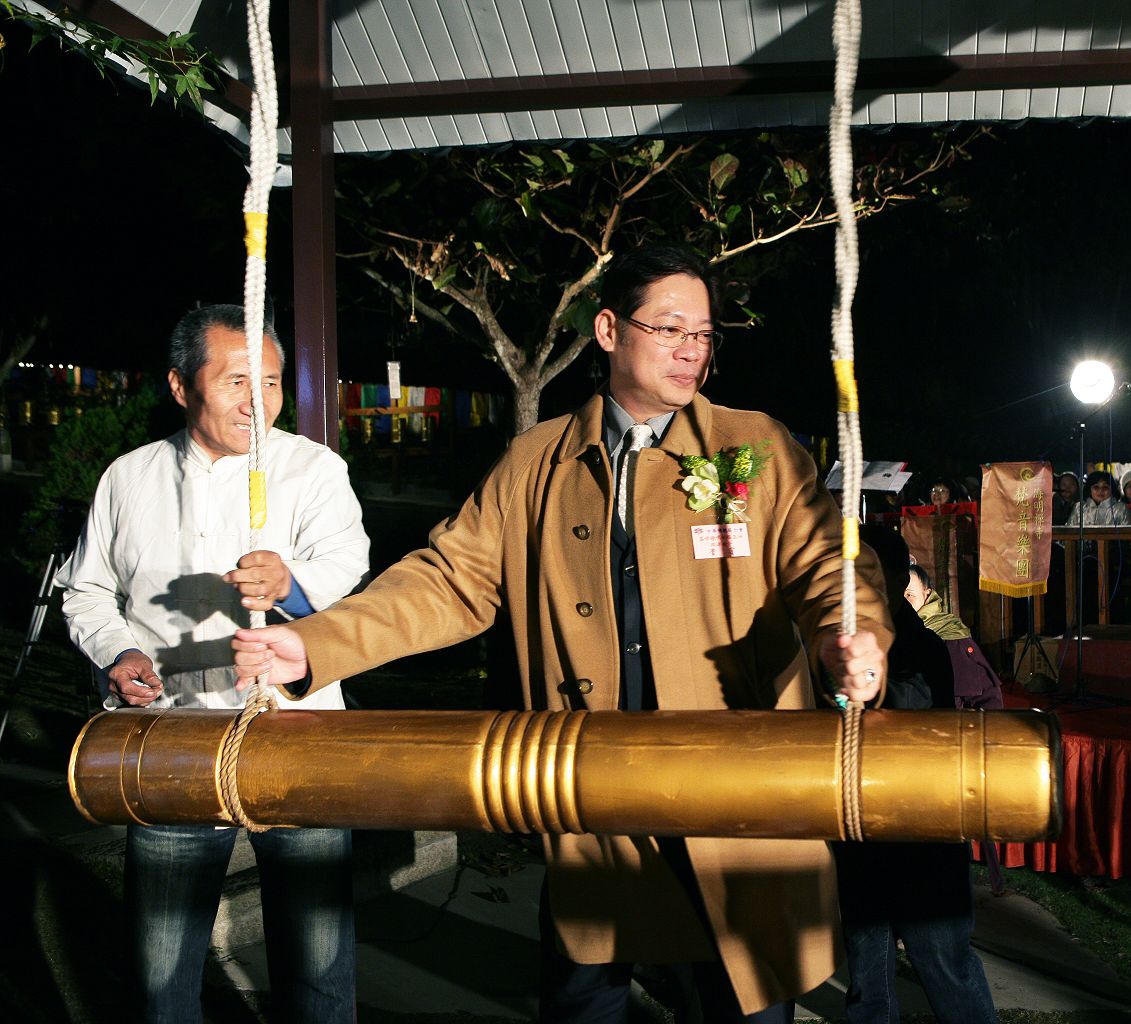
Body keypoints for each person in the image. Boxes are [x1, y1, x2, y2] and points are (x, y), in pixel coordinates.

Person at [231, 244, 892, 1023]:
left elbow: (828, 560)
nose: (692, 350)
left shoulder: (755, 447)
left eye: (704, 334)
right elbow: (449, 580)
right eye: (670, 329)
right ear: (609, 330)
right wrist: (317, 644)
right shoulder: (536, 461)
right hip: (593, 792)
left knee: (740, 1000)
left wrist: (850, 632)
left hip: (735, 789)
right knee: (584, 994)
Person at [56, 304, 370, 1023]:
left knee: (319, 965)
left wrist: (290, 585)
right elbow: (87, 589)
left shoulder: (313, 470)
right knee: (162, 972)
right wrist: (119, 651)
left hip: (296, 736)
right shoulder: (129, 478)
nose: (258, 401)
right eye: (236, 381)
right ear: (180, 385)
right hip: (174, 744)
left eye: (271, 381)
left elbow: (348, 568)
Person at [835, 528, 998, 1024]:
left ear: (892, 577)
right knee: (868, 970)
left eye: (866, 572)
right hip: (860, 822)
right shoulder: (837, 641)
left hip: (922, 825)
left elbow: (913, 703)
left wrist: (856, 689)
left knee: (944, 963)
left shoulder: (923, 641)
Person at [903, 564, 1005, 712]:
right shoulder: (890, 632)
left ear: (927, 594)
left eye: (909, 595)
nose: (903, 601)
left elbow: (986, 697)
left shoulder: (951, 638)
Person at [1066, 470, 1131, 526]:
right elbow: (1069, 532)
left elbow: (1128, 533)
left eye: (1105, 487)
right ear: (1089, 490)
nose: (1100, 491)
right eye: (1096, 487)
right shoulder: (1079, 508)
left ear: (1112, 490)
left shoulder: (1120, 508)